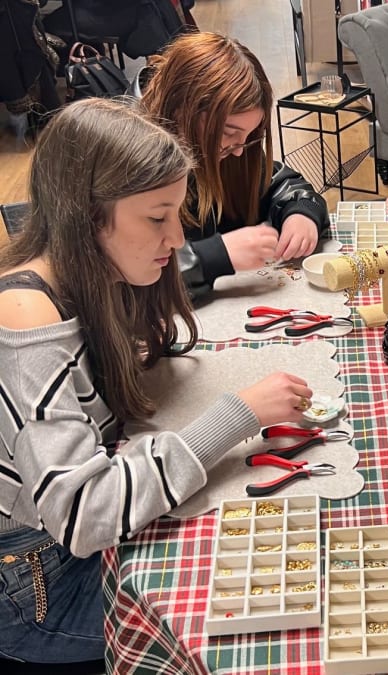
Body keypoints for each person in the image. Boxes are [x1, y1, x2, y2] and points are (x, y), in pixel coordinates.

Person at [0, 98, 314, 664]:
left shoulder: (86, 276)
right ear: (89, 213)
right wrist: (234, 417)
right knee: (256, 623)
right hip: (39, 584)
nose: (175, 240)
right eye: (156, 218)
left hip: (52, 555)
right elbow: (85, 514)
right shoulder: (27, 317)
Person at [139, 31, 330, 300]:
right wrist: (215, 256)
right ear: (183, 109)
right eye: (229, 132)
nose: (239, 150)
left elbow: (280, 182)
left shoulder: (223, 152)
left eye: (249, 136)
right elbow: (123, 281)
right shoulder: (128, 165)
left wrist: (301, 212)